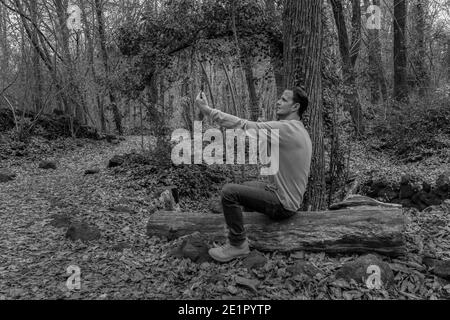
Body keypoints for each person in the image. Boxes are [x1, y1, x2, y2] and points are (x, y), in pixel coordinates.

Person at [195, 87, 312, 262]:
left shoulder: (287, 130)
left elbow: (242, 125)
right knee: (245, 186)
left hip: (283, 203)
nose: (278, 102)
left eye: (283, 99)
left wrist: (207, 111)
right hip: (281, 193)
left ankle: (238, 245)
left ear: (295, 107)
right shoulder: (295, 129)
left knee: (229, 192)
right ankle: (249, 233)